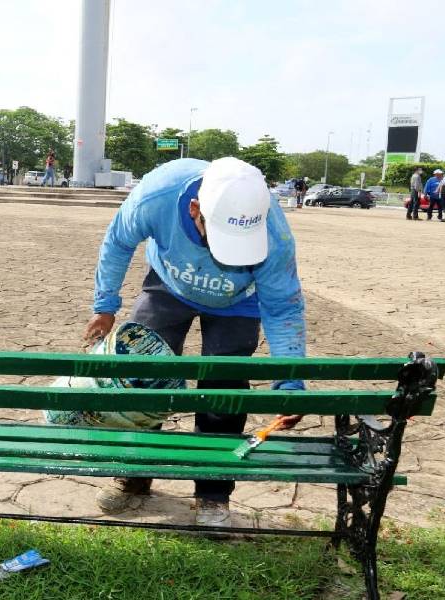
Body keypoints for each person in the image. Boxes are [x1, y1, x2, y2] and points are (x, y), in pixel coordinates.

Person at [83, 157, 306, 527]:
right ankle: (133, 475)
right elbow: (117, 242)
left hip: (239, 301)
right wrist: (105, 306)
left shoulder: (274, 234)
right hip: (168, 285)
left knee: (224, 391)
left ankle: (213, 496)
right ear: (195, 209)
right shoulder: (156, 195)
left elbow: (283, 308)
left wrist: (289, 381)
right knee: (141, 378)